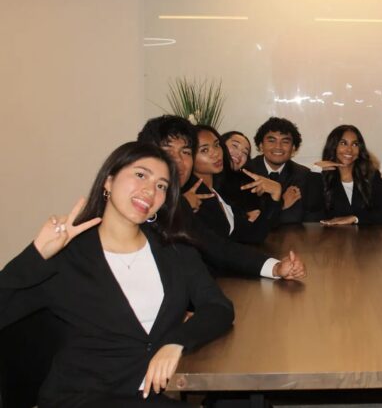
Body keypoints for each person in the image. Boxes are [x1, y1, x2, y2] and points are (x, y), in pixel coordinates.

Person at [0, 142, 235, 407]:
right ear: (108, 181)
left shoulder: (175, 252)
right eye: (140, 175)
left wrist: (176, 342)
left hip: (149, 397)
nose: (150, 190)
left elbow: (218, 307)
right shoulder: (68, 256)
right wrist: (36, 254)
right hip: (80, 400)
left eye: (161, 186)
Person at [137, 115, 305, 280]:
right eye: (204, 150)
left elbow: (231, 243)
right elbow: (214, 251)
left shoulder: (211, 193)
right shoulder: (185, 198)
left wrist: (275, 268)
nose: (178, 160)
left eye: (185, 152)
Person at [190, 125, 280, 245]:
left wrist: (276, 192)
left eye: (216, 145)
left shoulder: (218, 193)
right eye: (204, 150)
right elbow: (217, 247)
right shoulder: (194, 196)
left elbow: (254, 234)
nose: (216, 153)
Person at [311, 124, 382, 225]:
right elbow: (312, 211)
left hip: (366, 234)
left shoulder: (370, 175)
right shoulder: (321, 176)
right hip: (332, 234)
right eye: (343, 143)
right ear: (333, 146)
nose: (349, 149)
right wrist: (316, 171)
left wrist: (355, 218)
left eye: (355, 144)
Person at [246, 117, 324, 224]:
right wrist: (282, 204)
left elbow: (299, 218)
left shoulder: (304, 175)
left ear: (293, 148)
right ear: (261, 146)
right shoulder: (247, 172)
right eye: (271, 141)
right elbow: (247, 220)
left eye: (285, 142)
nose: (278, 147)